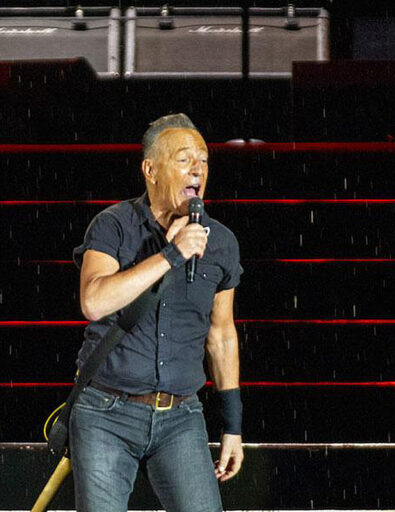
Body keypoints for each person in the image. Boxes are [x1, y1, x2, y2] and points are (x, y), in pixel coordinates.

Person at [70, 113, 244, 511]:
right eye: (184, 159)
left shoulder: (220, 243)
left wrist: (232, 426)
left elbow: (221, 335)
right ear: (150, 170)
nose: (198, 169)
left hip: (180, 417)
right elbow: (94, 302)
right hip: (106, 413)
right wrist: (171, 254)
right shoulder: (114, 225)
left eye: (203, 160)